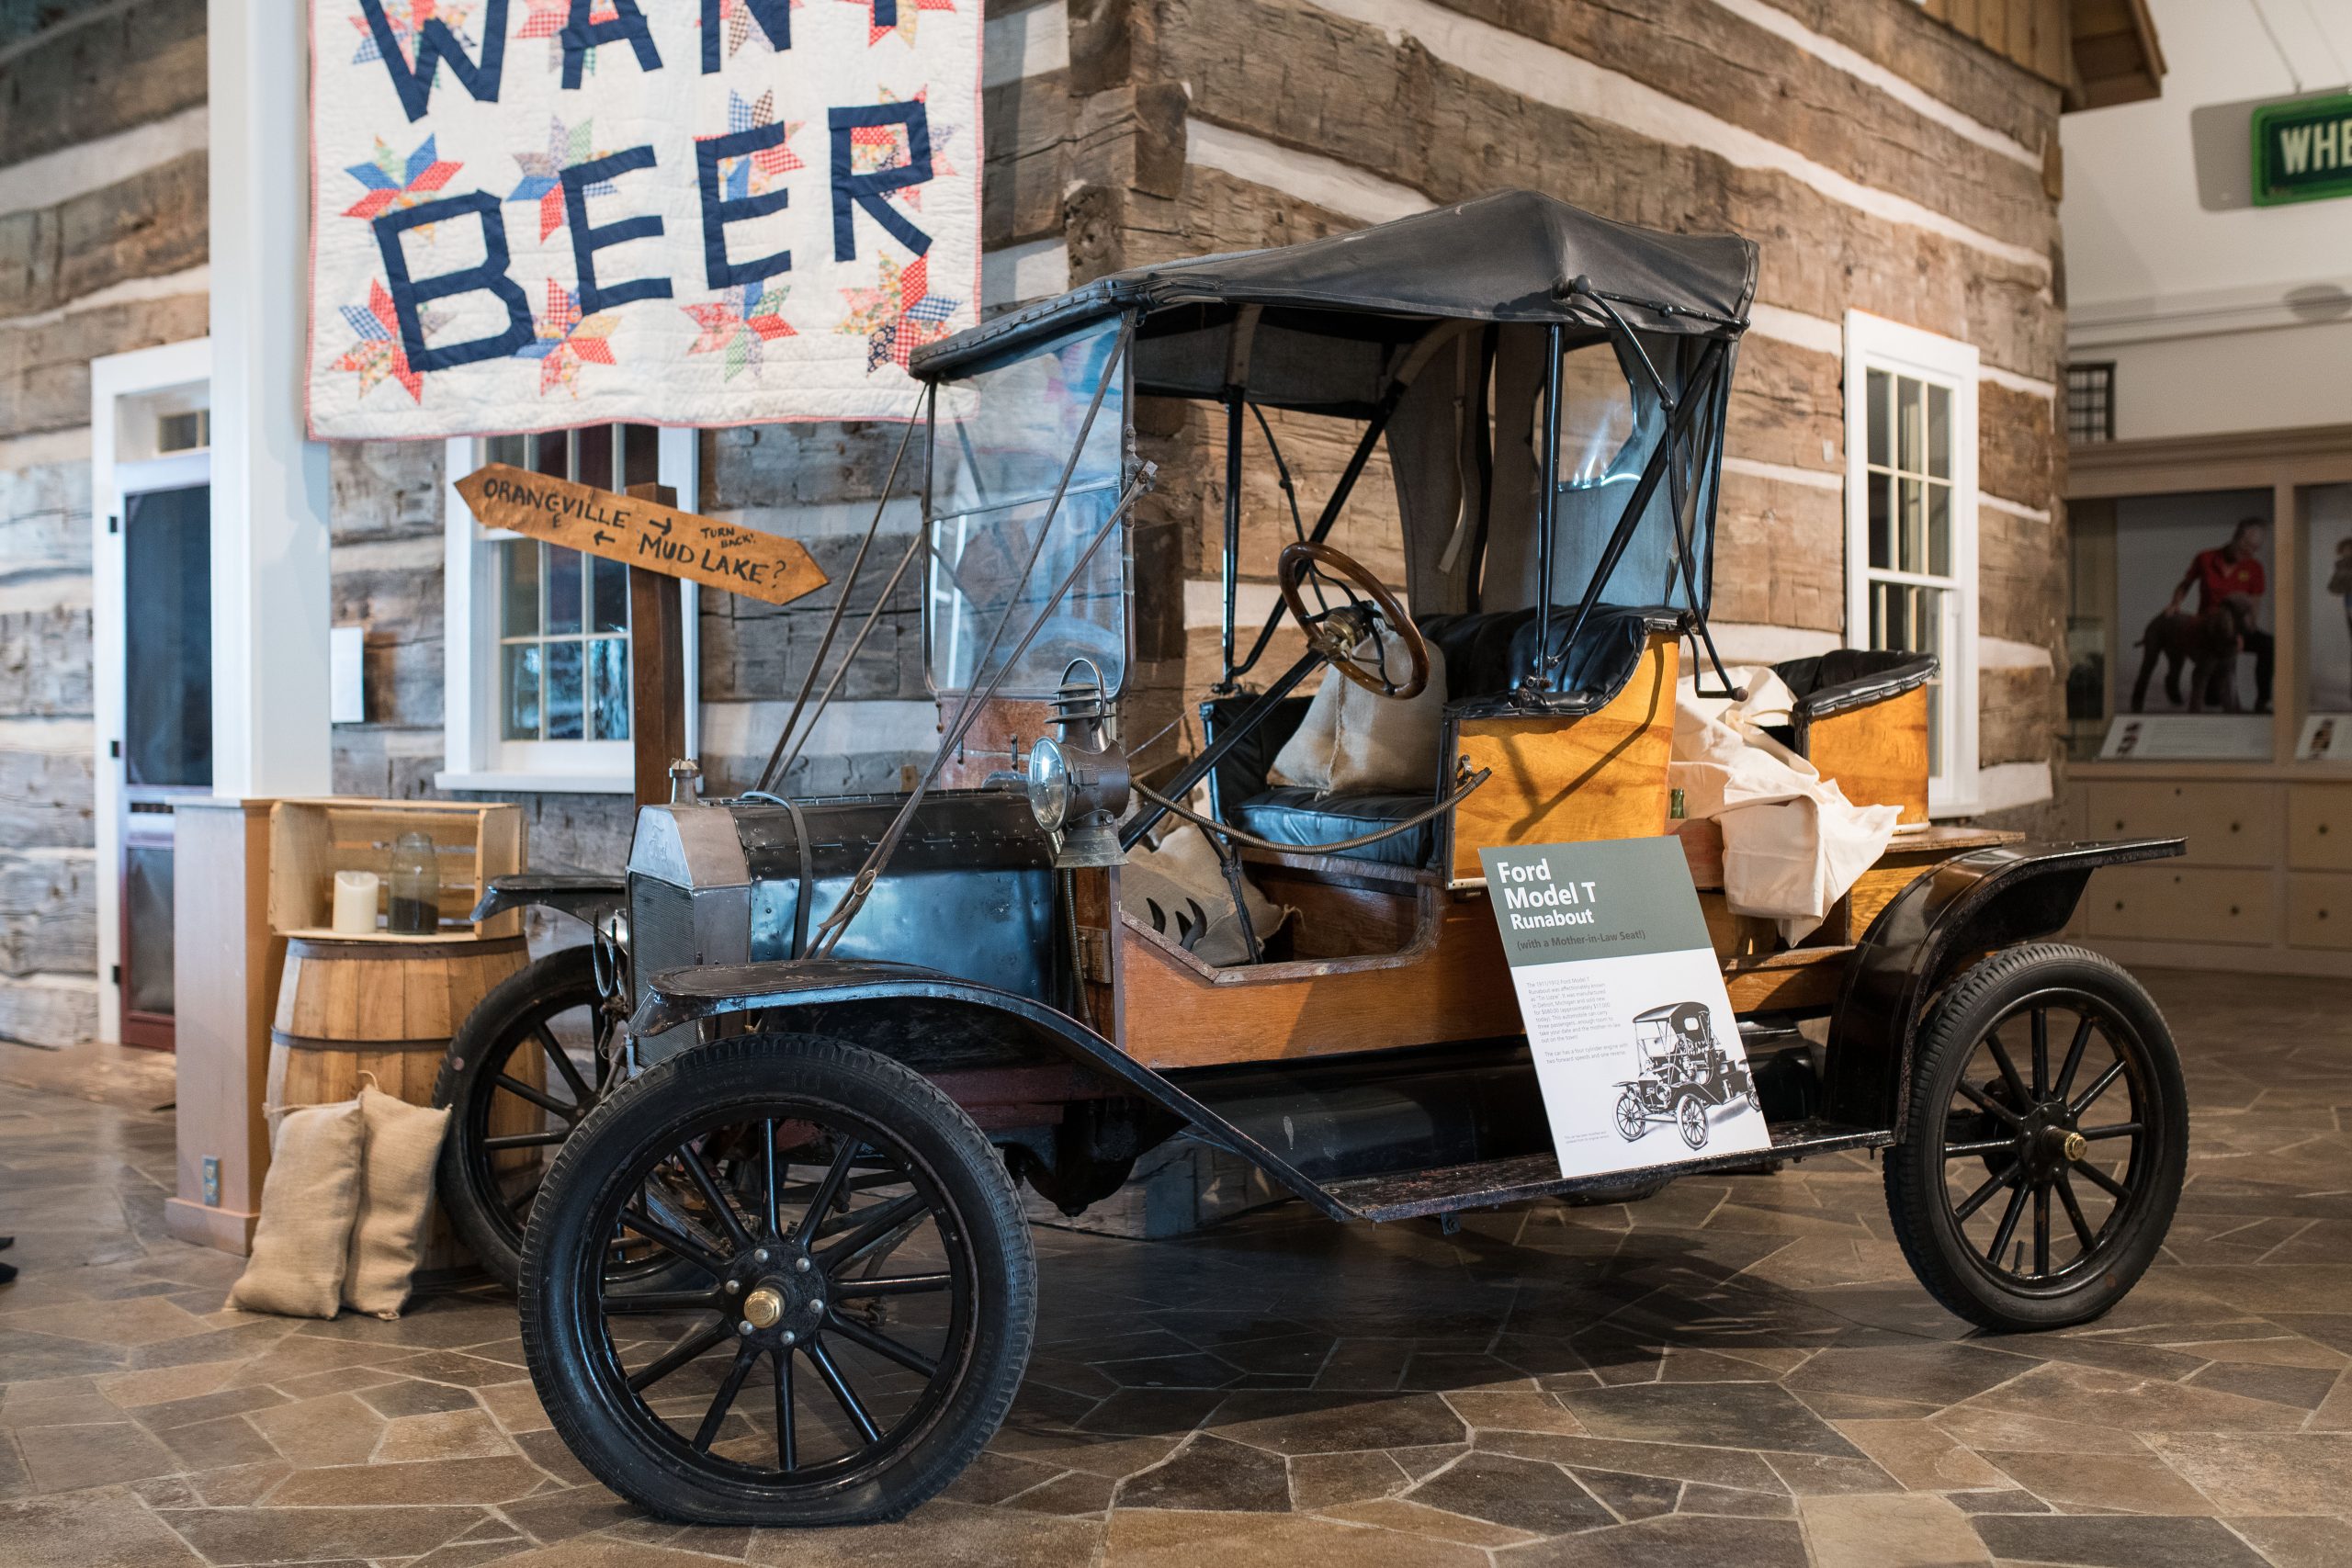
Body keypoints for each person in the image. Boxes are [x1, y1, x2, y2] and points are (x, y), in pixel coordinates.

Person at [2165, 516, 2274, 713]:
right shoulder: (2205, 558)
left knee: (2269, 645)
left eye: (2255, 549)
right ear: (2236, 537)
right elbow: (2185, 584)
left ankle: (2263, 700)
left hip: (2237, 628)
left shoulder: (2255, 568)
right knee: (2213, 700)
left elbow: (2254, 604)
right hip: (2209, 629)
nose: (2249, 553)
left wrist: (2246, 631)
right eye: (2246, 546)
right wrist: (2175, 603)